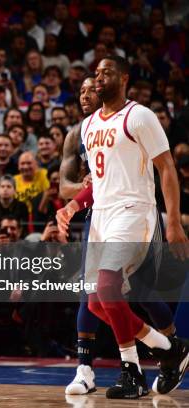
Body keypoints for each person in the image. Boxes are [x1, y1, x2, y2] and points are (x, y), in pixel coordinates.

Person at [57, 56, 189, 399]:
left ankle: (134, 367)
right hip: (101, 214)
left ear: (125, 79)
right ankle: (168, 348)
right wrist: (73, 204)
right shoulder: (87, 126)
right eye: (96, 73)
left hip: (134, 211)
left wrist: (173, 221)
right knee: (98, 303)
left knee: (111, 288)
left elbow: (167, 169)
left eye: (107, 73)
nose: (99, 78)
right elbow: (98, 182)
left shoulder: (139, 116)